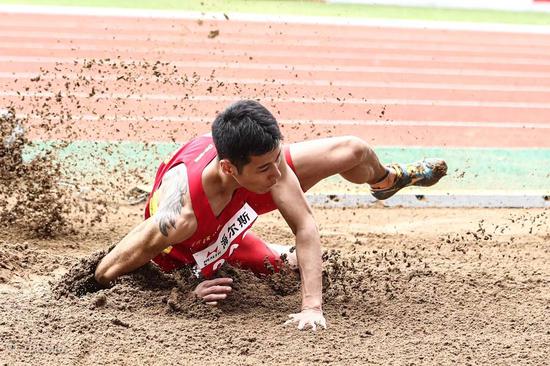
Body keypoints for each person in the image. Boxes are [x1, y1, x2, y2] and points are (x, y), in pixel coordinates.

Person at [94, 100, 447, 331]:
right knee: (289, 269)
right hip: (193, 251)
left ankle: (385, 181)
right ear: (229, 168)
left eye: (277, 159)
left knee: (352, 149)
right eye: (266, 167)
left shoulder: (266, 166)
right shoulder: (178, 216)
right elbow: (104, 272)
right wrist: (182, 294)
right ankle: (271, 251)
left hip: (239, 202)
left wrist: (312, 307)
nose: (278, 175)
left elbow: (305, 223)